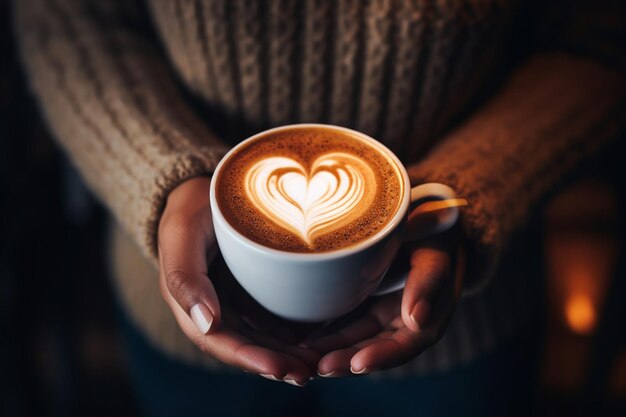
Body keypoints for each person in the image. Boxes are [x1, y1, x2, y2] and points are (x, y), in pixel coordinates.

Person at [14, 0, 626, 415]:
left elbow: (599, 39)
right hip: (188, 309)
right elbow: (68, 20)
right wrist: (163, 172)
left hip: (463, 330)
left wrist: (468, 189)